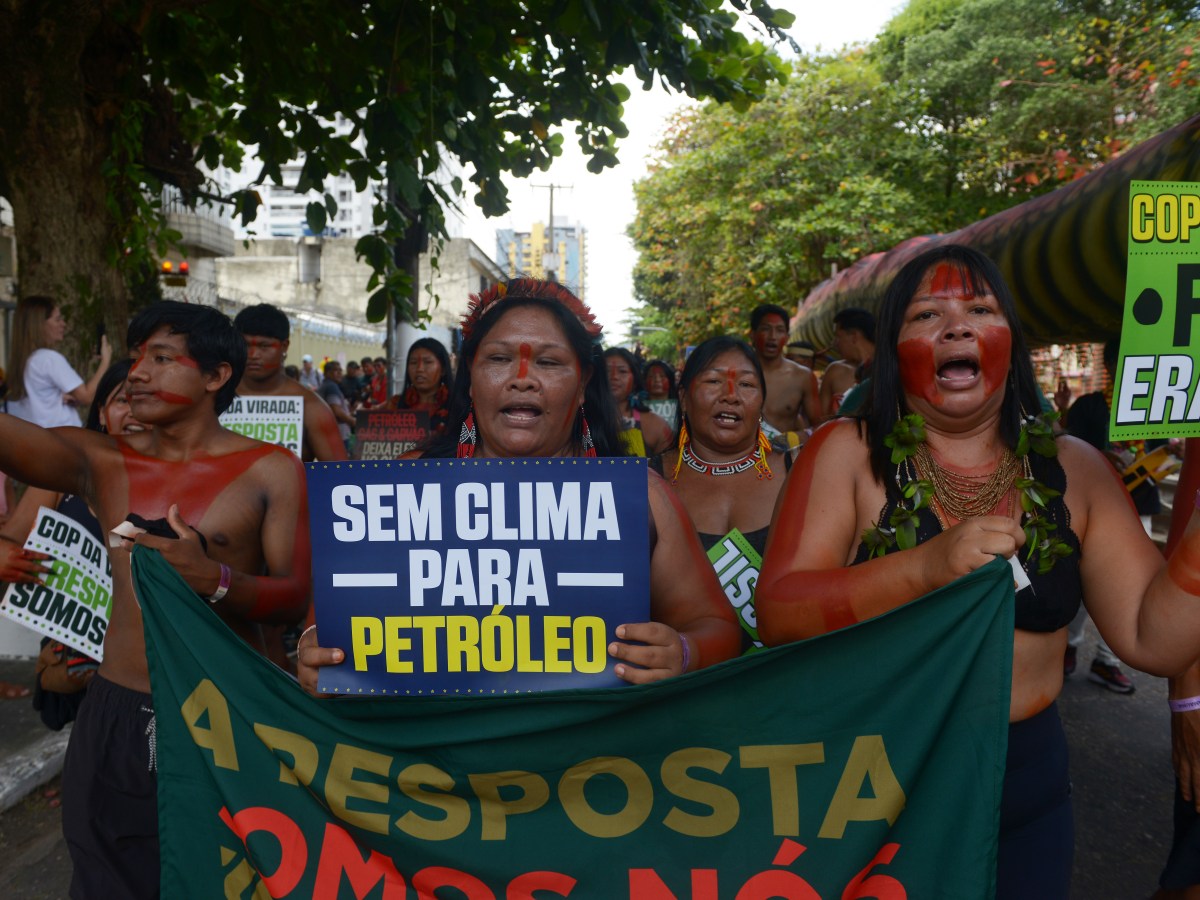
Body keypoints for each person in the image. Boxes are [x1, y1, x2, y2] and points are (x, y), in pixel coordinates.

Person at [756, 244, 1200, 898]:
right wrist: (924, 568)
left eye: (980, 310)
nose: (957, 327)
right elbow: (779, 611)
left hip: (1027, 787)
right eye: (927, 315)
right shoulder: (846, 451)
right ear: (892, 347)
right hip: (875, 784)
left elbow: (1151, 638)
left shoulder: (1077, 467)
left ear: (1010, 342)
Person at [0, 300, 313, 898]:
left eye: (162, 359)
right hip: (116, 713)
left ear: (216, 376)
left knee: (229, 883)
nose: (137, 373)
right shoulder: (101, 460)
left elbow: (293, 596)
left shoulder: (271, 469)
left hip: (227, 715)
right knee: (107, 882)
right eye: (137, 357)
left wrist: (216, 579)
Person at [298, 278, 740, 691]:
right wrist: (317, 655)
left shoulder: (639, 496)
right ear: (470, 377)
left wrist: (684, 652)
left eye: (548, 362)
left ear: (583, 383)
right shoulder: (399, 487)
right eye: (498, 359)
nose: (522, 378)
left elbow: (718, 629)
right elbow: (325, 631)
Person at [0, 359, 145, 725]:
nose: (134, 411)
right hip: (70, 659)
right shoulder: (60, 475)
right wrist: (5, 555)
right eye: (122, 400)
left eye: (143, 401)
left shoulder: (178, 483)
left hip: (140, 666)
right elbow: (10, 537)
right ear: (102, 412)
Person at [656, 336, 789, 653]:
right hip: (684, 677)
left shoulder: (800, 472)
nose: (731, 395)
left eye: (747, 385)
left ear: (762, 403)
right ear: (684, 398)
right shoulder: (646, 482)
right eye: (714, 381)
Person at [1058, 338, 1137, 692]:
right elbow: (1071, 451)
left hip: (1139, 502)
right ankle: (1068, 646)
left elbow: (1158, 447)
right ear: (1110, 367)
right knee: (1083, 580)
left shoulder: (1148, 406)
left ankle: (1107, 661)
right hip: (1096, 504)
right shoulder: (1089, 406)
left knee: (1130, 587)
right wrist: (1102, 458)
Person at [232, 303, 348, 461]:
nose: (252, 355)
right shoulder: (213, 399)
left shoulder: (311, 408)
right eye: (244, 345)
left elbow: (339, 472)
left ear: (284, 347)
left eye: (264, 346)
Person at [6, 295, 112, 428]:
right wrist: (105, 361)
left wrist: (56, 397)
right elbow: (87, 397)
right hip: (62, 436)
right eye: (57, 319)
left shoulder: (28, 361)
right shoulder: (49, 358)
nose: (63, 324)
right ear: (40, 325)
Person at [749, 304, 819, 436]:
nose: (772, 336)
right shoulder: (736, 373)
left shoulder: (803, 377)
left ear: (787, 337)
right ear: (752, 334)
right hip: (741, 449)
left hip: (786, 449)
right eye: (766, 329)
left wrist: (792, 439)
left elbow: (819, 427)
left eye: (779, 330)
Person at [604, 347, 674, 457]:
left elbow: (671, 465)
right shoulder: (580, 422)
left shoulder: (656, 426)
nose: (614, 377)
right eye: (606, 371)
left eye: (622, 371)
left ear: (635, 381)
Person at [388, 337, 453, 438]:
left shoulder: (457, 406)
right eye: (413, 363)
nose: (419, 369)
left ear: (443, 369)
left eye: (428, 362)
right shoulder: (395, 404)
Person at [819, 306, 875, 419]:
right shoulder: (835, 371)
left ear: (854, 336)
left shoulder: (891, 366)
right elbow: (821, 421)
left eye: (838, 337)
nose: (835, 344)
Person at [318, 360, 356, 455]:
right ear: (327, 373)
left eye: (340, 370)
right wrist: (352, 421)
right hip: (339, 434)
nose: (340, 373)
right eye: (336, 370)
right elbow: (336, 410)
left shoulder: (324, 386)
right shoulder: (331, 387)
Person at [643, 358, 679, 425]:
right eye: (651, 376)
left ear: (670, 380)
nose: (657, 380)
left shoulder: (681, 408)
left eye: (662, 376)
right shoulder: (637, 409)